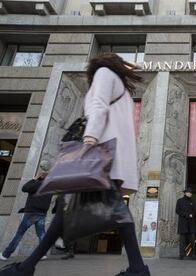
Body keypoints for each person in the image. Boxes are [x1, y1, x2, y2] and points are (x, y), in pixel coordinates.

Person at [0, 53, 150, 276]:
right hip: (111, 161)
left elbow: (98, 107)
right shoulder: (124, 91)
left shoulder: (103, 73)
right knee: (73, 210)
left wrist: (89, 140)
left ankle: (26, 267)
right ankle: (137, 268)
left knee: (93, 211)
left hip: (98, 157)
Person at [0, 163, 52, 262]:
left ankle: (6, 254)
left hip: (32, 212)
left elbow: (25, 188)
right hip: (42, 213)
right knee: (41, 234)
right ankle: (43, 253)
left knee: (19, 234)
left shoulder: (38, 184)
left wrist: (35, 178)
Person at [175, 187, 196, 260]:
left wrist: (192, 215)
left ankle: (193, 254)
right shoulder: (179, 201)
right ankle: (181, 255)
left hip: (190, 223)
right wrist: (186, 215)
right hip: (183, 223)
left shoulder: (192, 201)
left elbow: (194, 211)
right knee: (182, 240)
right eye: (189, 192)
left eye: (191, 193)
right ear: (185, 193)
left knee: (192, 240)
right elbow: (177, 211)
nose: (190, 194)